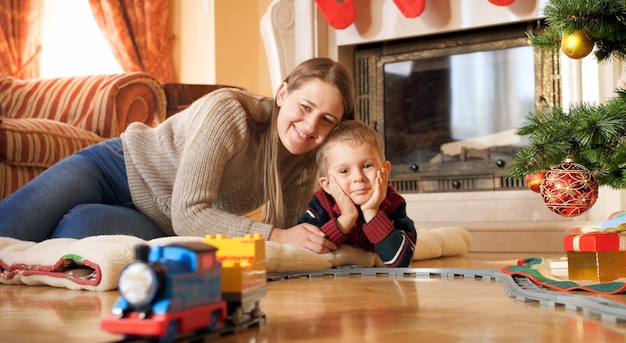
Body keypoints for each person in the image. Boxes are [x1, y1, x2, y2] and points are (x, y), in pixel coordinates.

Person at [0, 57, 355, 254]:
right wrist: (276, 235)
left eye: (327, 120)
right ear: (282, 93)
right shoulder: (230, 111)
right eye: (304, 107)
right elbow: (192, 213)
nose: (310, 126)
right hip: (114, 168)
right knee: (10, 227)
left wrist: (349, 213)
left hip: (160, 222)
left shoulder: (306, 159)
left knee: (75, 229)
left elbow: (295, 237)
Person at [297, 119, 417, 267]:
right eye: (344, 171)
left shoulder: (393, 202)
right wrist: (346, 218)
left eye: (367, 166)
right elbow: (305, 251)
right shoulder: (321, 203)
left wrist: (371, 211)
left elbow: (401, 262)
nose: (358, 177)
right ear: (327, 185)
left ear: (385, 171)